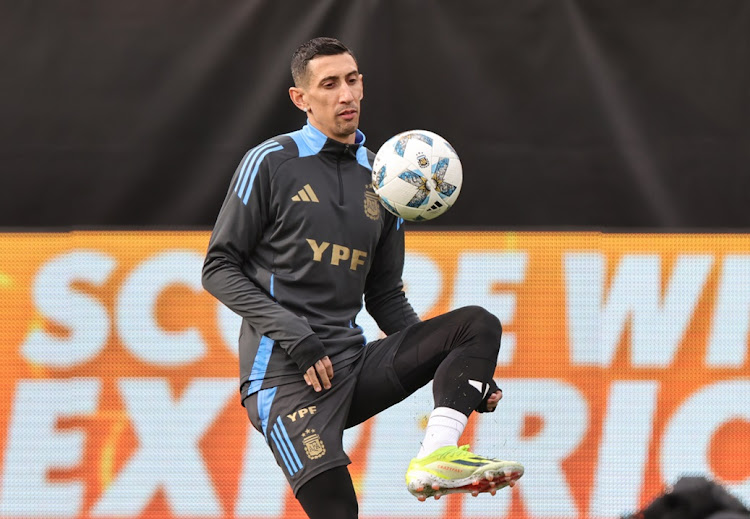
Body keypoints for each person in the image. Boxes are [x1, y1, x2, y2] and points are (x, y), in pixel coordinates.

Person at [202, 36, 523, 519]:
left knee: (476, 325)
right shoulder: (270, 162)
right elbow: (218, 267)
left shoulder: (385, 178)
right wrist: (297, 336)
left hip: (351, 367)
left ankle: (437, 454)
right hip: (284, 380)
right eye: (329, 84)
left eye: (352, 80)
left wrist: (458, 369)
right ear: (301, 99)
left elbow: (385, 295)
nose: (346, 94)